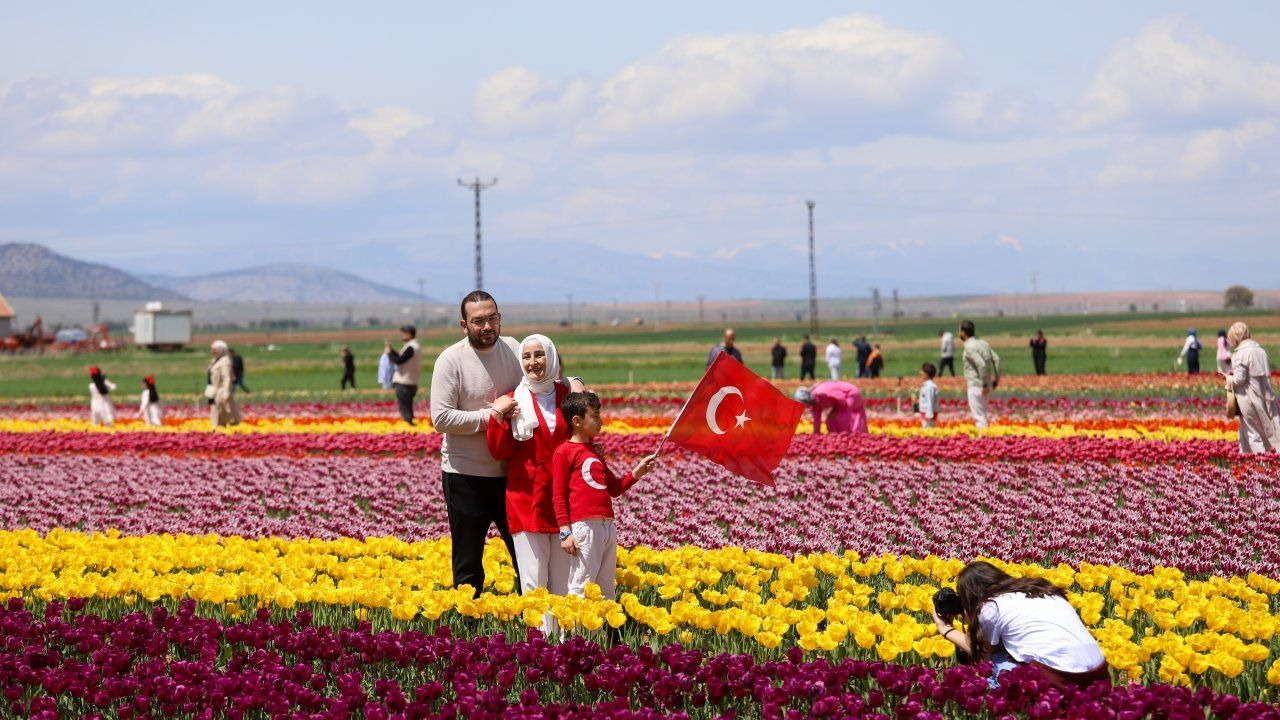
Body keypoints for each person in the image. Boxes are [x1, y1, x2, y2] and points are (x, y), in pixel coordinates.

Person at [431, 291, 584, 598]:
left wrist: (572, 382)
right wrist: (491, 415)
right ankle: (469, 625)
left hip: (511, 477)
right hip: (466, 474)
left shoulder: (514, 349)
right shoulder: (450, 360)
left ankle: (528, 620)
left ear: (499, 318)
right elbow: (441, 418)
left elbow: (539, 378)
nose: (486, 326)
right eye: (478, 321)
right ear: (464, 325)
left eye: (492, 318)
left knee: (523, 555)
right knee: (469, 558)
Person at [486, 334, 573, 632]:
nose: (533, 362)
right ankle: (540, 646)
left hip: (564, 500)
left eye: (539, 355)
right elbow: (499, 451)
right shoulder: (512, 400)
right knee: (534, 581)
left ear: (551, 357)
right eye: (527, 356)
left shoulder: (569, 397)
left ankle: (564, 645)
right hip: (527, 499)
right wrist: (497, 415)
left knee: (563, 582)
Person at [934, 561, 1110, 690]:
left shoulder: (990, 606)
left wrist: (945, 629)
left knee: (998, 664)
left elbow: (983, 654)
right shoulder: (1041, 590)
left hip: (1061, 679)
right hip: (1100, 676)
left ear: (970, 596)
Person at [553, 391, 657, 602]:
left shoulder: (594, 453)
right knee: (581, 587)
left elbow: (614, 489)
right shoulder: (564, 452)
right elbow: (558, 495)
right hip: (585, 526)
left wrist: (636, 473)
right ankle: (572, 636)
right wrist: (565, 532)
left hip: (607, 525)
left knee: (606, 589)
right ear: (577, 421)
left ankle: (598, 635)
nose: (601, 421)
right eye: (595, 416)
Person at [1223, 322, 1280, 453]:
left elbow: (1239, 380)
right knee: (1267, 429)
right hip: (1266, 396)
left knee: (1253, 433)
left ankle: (1261, 464)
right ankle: (1247, 459)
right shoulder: (1261, 351)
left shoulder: (1240, 354)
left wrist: (1227, 378)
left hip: (1248, 398)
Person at [959, 320, 1000, 430]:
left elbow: (981, 364)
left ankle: (984, 443)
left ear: (963, 332)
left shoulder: (969, 347)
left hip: (977, 385)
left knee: (979, 418)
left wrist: (985, 385)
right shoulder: (983, 343)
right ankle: (986, 441)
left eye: (959, 330)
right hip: (985, 385)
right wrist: (996, 380)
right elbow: (996, 359)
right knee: (983, 415)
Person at [793, 381, 868, 435]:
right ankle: (839, 435)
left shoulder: (821, 393)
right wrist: (816, 434)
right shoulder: (814, 404)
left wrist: (837, 411)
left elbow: (841, 398)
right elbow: (817, 420)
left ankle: (851, 435)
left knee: (841, 416)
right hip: (842, 400)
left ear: (806, 399)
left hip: (851, 394)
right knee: (830, 419)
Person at [385, 325, 423, 425]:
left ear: (409, 334)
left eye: (404, 334)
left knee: (405, 406)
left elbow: (399, 360)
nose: (402, 336)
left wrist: (389, 354)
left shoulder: (411, 347)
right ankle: (411, 423)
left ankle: (408, 424)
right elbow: (401, 357)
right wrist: (392, 351)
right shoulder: (415, 346)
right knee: (408, 404)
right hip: (411, 381)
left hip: (404, 381)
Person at [208, 340, 241, 427]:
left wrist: (226, 392)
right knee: (217, 411)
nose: (212, 352)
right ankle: (219, 428)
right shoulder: (215, 360)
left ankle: (227, 429)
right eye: (212, 350)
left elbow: (227, 377)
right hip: (215, 390)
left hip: (222, 390)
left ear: (221, 350)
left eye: (215, 350)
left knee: (226, 411)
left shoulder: (225, 361)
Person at [918, 363, 939, 429]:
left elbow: (930, 400)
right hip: (926, 411)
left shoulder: (929, 387)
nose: (920, 372)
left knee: (927, 429)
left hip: (928, 413)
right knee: (927, 428)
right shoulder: (927, 385)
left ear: (926, 374)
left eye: (922, 371)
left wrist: (929, 414)